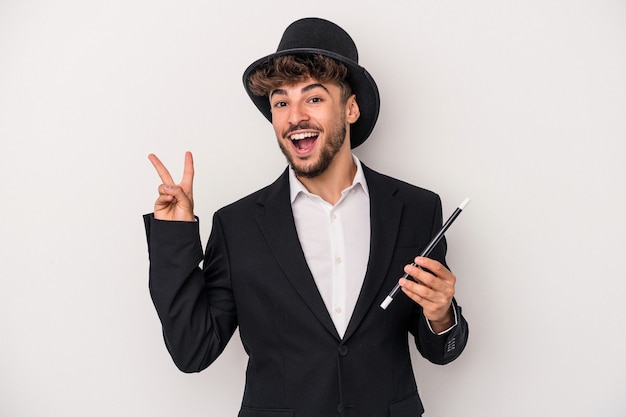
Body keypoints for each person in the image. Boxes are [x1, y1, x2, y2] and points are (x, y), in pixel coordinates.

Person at [144, 17, 468, 417]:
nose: (294, 116)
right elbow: (193, 350)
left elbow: (440, 350)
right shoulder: (238, 225)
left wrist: (441, 316)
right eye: (281, 102)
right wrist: (173, 235)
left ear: (351, 109)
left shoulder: (417, 209)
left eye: (313, 98)